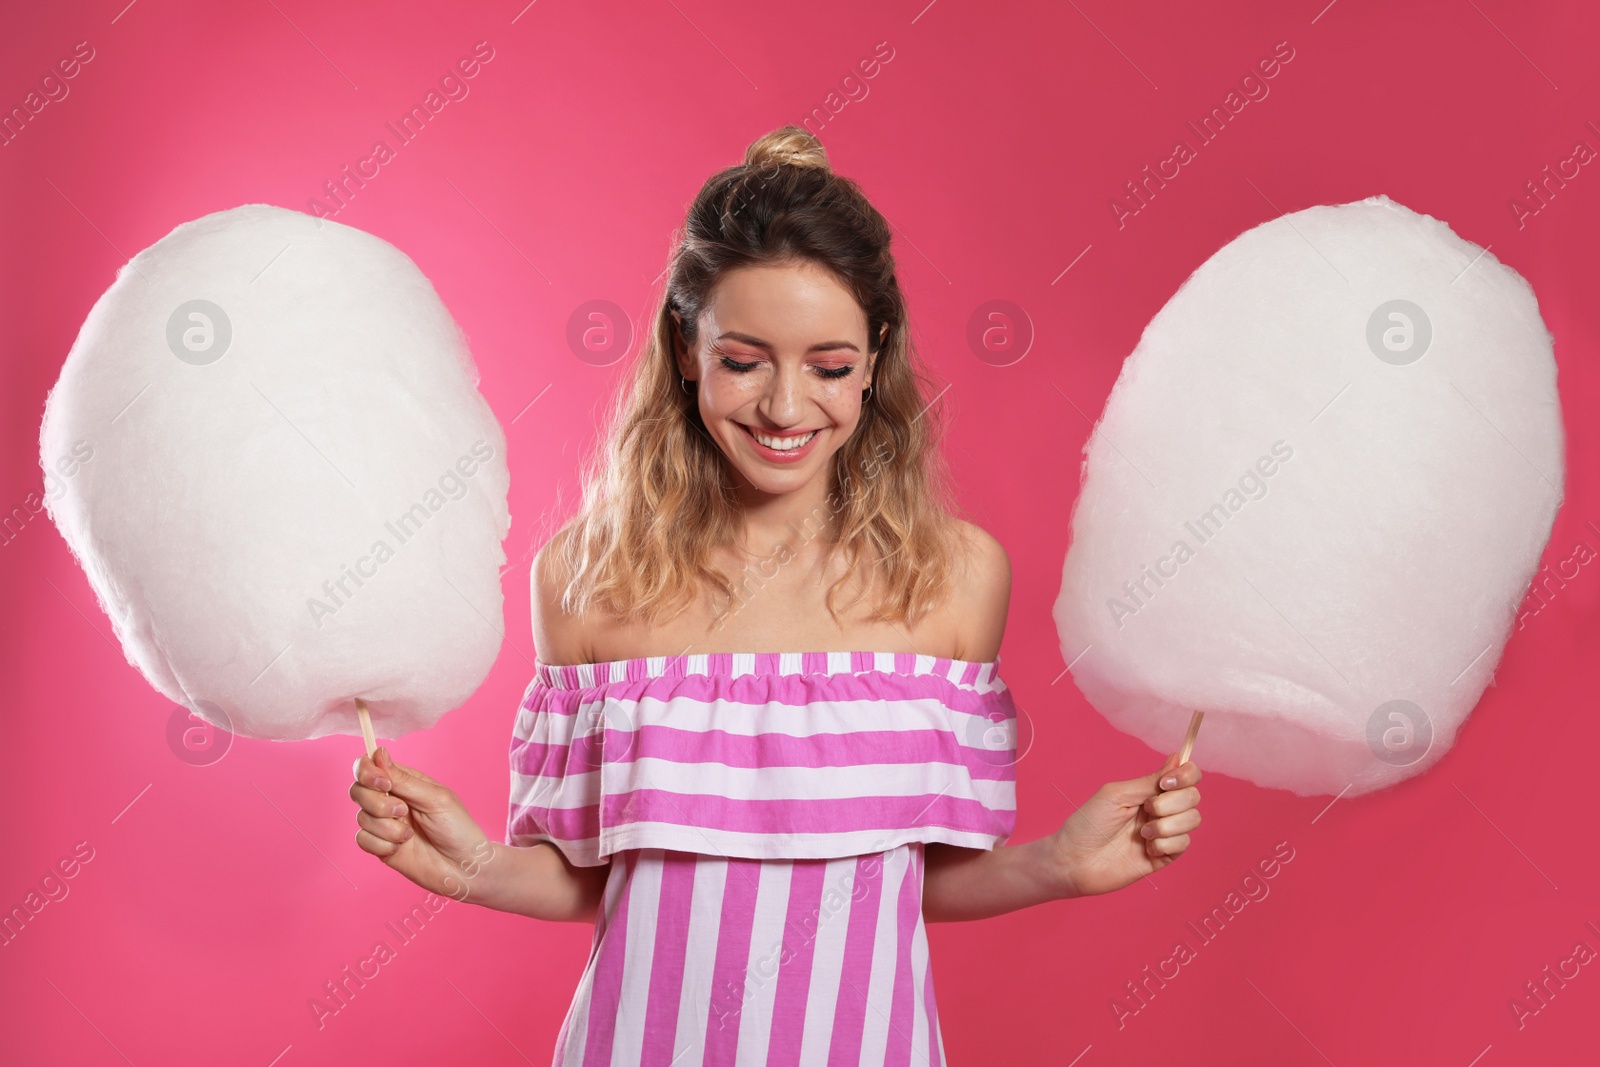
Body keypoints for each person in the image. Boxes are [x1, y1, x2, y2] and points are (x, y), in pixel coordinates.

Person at [348, 125, 1202, 1066]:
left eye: (829, 367)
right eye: (745, 360)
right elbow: (594, 877)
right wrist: (462, 863)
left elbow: (908, 869)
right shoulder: (585, 579)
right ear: (686, 348)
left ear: (876, 360)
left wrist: (1062, 864)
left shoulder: (956, 580)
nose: (787, 409)